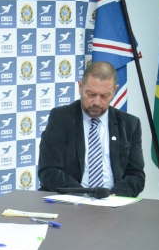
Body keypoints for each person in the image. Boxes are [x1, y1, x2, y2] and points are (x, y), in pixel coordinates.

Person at [38, 61, 145, 197]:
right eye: (91, 94)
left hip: (113, 201)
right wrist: (84, 196)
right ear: (80, 87)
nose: (96, 102)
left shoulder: (130, 124)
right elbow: (48, 170)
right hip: (71, 200)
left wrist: (113, 197)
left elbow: (136, 176)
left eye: (104, 96)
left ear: (114, 91)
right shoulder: (60, 118)